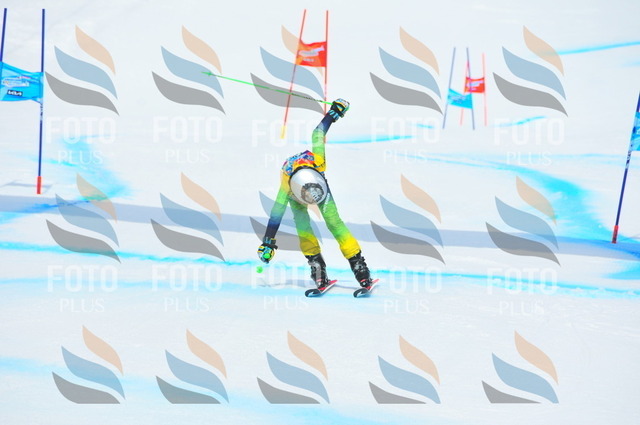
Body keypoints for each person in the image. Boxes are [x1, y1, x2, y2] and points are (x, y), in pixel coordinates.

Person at [257, 99, 372, 289]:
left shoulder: (318, 161)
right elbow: (276, 215)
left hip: (318, 187)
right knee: (303, 227)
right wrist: (268, 243)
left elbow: (318, 133)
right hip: (298, 192)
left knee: (334, 223)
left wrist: (334, 113)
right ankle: (318, 269)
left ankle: (360, 268)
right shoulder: (287, 187)